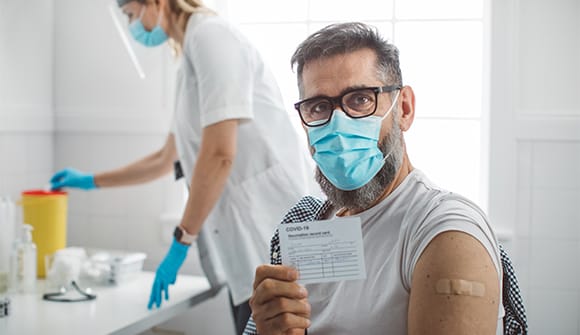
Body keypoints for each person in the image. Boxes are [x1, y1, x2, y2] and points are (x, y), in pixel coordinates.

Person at [49, 1, 315, 334]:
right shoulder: (188, 60)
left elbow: (219, 154)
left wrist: (181, 240)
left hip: (273, 233)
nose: (133, 26)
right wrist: (91, 181)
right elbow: (165, 159)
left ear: (156, 3)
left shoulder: (212, 37)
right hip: (248, 253)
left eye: (130, 14)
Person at [245, 22, 509, 335]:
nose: (340, 127)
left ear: (405, 109)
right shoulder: (305, 225)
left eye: (359, 99)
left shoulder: (445, 231)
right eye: (319, 106)